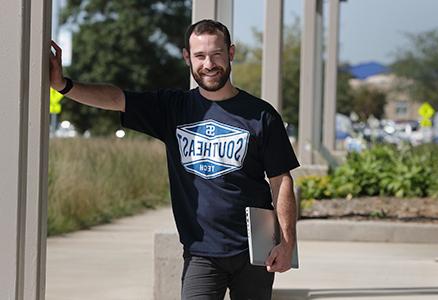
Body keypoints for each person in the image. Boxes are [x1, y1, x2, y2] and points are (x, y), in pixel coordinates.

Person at [49, 19, 300, 300]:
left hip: (255, 250)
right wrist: (64, 86)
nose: (209, 64)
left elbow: (281, 181)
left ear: (231, 53)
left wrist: (287, 243)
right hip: (200, 252)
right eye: (200, 56)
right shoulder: (173, 108)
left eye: (217, 54)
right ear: (186, 58)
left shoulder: (261, 115)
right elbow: (117, 98)